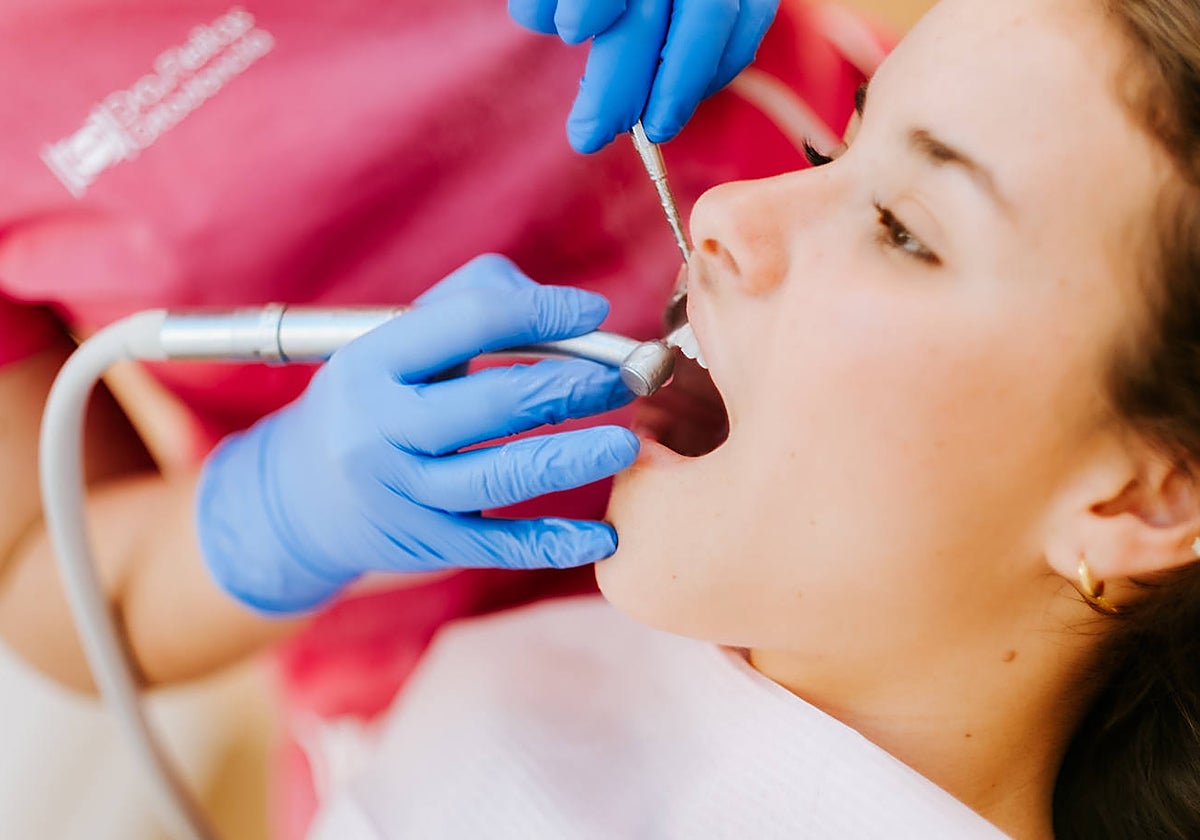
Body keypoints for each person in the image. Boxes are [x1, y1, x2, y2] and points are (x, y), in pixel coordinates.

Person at [287, 0, 1200, 836]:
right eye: (828, 153)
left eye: (902, 229)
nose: (724, 211)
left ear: (1143, 500)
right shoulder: (546, 680)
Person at [0, 0, 888, 835]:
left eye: (912, 232)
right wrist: (274, 514)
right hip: (457, 670)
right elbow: (40, 571)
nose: (726, 226)